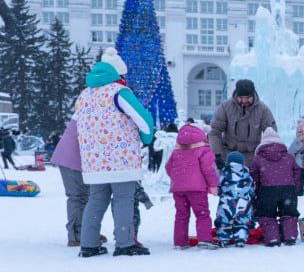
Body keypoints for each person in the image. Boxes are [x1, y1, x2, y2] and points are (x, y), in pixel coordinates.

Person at [73, 49, 155, 258]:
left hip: (93, 161)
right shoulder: (119, 92)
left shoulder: (84, 95)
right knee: (123, 199)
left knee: (96, 200)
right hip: (121, 159)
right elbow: (144, 120)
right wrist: (147, 139)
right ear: (120, 74)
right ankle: (125, 243)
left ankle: (88, 244)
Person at [165, 123, 219, 250]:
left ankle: (180, 242)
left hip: (178, 189)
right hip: (197, 189)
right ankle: (204, 240)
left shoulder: (177, 150)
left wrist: (178, 179)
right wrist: (213, 185)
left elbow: (168, 167)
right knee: (202, 214)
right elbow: (208, 169)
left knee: (181, 214)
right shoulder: (204, 149)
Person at [49, 119, 101, 247]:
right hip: (72, 159)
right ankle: (76, 235)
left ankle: (85, 231)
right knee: (78, 197)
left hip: (75, 158)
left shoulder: (90, 108)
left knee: (84, 197)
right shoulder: (92, 111)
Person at [251, 128, 302, 246]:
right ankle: (290, 237)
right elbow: (297, 172)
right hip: (288, 189)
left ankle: (272, 239)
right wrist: (295, 187)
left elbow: (254, 176)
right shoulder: (289, 157)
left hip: (267, 190)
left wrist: (258, 190)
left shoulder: (258, 158)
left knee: (267, 215)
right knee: (289, 213)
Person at [209, 79, 277, 168]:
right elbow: (215, 132)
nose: (244, 101)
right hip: (229, 157)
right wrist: (217, 154)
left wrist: (268, 155)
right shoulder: (225, 107)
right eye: (241, 97)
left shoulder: (262, 109)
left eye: (247, 98)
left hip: (253, 158)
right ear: (237, 95)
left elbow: (271, 134)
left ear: (253, 95)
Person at [215, 152, 255, 247]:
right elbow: (251, 188)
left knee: (224, 222)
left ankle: (223, 239)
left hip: (226, 202)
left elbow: (218, 186)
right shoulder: (246, 173)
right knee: (241, 222)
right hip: (243, 203)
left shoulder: (224, 172)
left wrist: (221, 192)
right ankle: (240, 239)